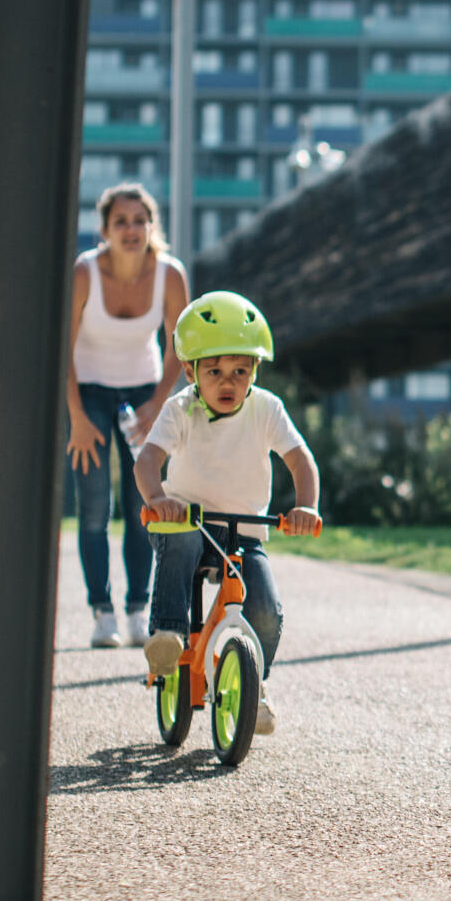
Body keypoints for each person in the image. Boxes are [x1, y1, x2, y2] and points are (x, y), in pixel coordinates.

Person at [133, 291, 320, 735]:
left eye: (240, 370)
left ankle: (257, 686)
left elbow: (300, 460)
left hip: (245, 533)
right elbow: (146, 461)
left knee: (266, 611)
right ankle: (168, 635)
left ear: (256, 370)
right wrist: (158, 498)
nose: (228, 382)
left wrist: (306, 506)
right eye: (214, 371)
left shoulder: (266, 408)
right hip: (186, 521)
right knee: (182, 541)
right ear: (190, 371)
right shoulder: (180, 409)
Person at [65, 183, 189, 647]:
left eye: (140, 220)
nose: (131, 229)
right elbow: (63, 348)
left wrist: (160, 400)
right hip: (90, 391)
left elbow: (181, 343)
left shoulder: (169, 275)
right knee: (94, 507)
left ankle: (139, 609)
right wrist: (76, 415)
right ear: (105, 230)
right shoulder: (84, 273)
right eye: (121, 222)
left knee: (146, 501)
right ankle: (102, 613)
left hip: (144, 390)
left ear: (151, 226)